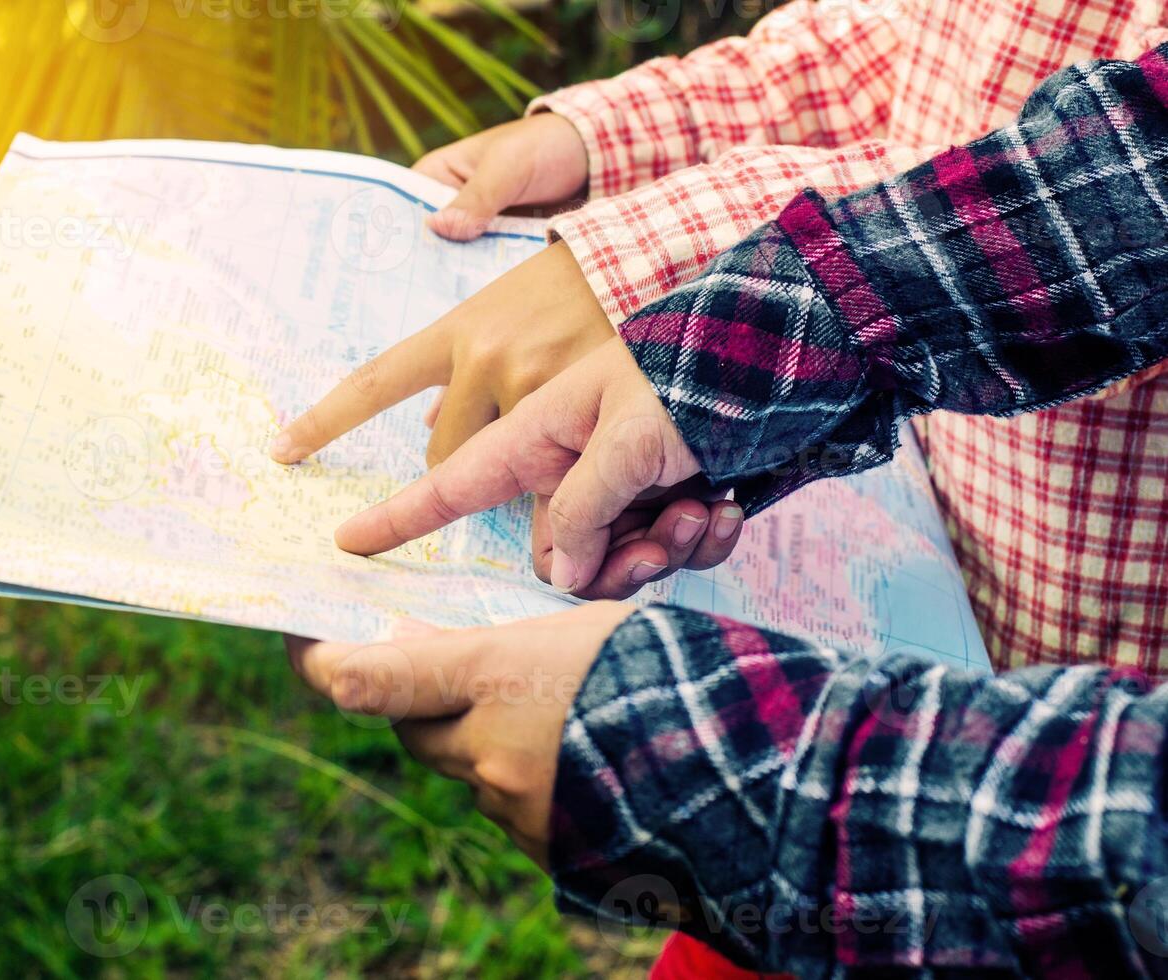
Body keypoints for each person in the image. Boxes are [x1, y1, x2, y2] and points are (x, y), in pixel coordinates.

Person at [283, 41, 1168, 976]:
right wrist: (627, 155)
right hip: (896, 665)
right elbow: (949, 50)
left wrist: (730, 763)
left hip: (936, 843)